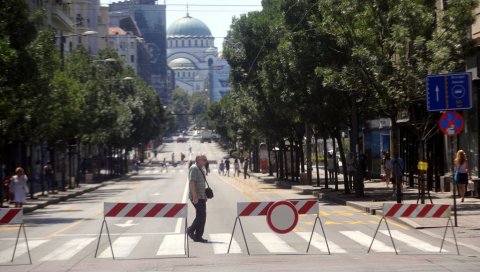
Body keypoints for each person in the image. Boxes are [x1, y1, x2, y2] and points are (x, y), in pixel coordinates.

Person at [187, 155, 209, 243]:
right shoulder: (194, 168)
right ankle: (190, 230)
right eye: (204, 160)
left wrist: (205, 195)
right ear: (199, 160)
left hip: (201, 196)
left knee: (202, 215)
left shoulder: (200, 168)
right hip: (196, 197)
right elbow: (192, 182)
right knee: (201, 215)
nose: (206, 161)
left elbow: (201, 184)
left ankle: (198, 236)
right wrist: (195, 196)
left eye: (206, 160)